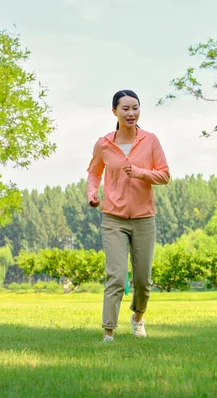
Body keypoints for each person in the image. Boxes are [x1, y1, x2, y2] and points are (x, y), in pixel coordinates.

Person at [87, 90, 171, 342]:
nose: (131, 113)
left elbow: (165, 175)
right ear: (114, 112)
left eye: (135, 108)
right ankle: (108, 332)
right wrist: (92, 193)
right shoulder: (104, 143)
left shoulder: (150, 140)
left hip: (144, 219)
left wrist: (139, 172)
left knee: (143, 279)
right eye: (125, 108)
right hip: (113, 218)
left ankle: (138, 317)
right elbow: (93, 173)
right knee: (116, 275)